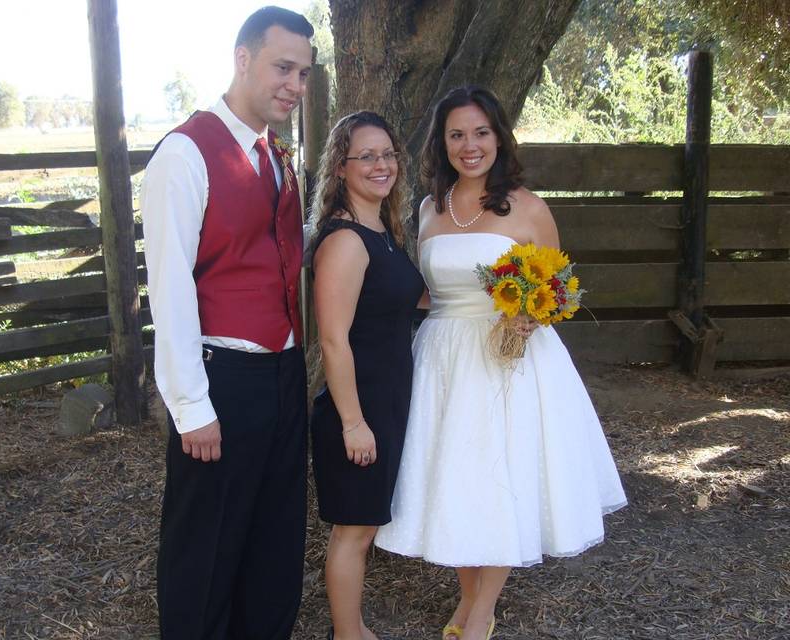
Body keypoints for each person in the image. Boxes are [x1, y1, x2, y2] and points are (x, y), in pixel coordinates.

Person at [374, 85, 627, 640]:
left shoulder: (529, 207)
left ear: (499, 138)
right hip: (442, 359)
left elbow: (557, 291)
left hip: (510, 360)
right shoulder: (427, 209)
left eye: (481, 133)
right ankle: (470, 602)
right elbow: (428, 292)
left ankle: (481, 613)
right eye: (457, 135)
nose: (470, 146)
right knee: (457, 478)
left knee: (502, 478)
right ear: (442, 144)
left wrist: (529, 318)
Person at [140, 7, 314, 640]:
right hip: (224, 377)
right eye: (282, 67)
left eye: (303, 73)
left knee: (274, 544)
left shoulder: (276, 157)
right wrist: (192, 405)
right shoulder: (186, 153)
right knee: (206, 552)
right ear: (243, 58)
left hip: (284, 372)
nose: (294, 85)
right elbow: (170, 286)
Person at [308, 111, 425, 640]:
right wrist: (353, 423)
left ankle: (352, 631)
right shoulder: (346, 241)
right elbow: (332, 340)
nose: (380, 165)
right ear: (340, 168)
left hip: (386, 399)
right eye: (366, 156)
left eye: (387, 154)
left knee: (366, 526)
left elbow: (410, 301)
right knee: (353, 532)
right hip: (356, 407)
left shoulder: (382, 229)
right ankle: (347, 635)